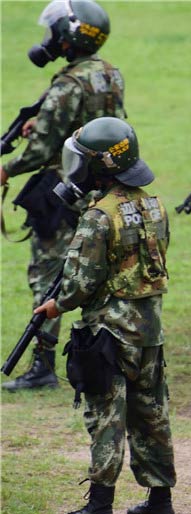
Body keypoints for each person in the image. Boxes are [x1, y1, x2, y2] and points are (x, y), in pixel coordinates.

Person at [34, 117, 177, 514]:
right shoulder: (155, 204)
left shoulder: (99, 216)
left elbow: (80, 283)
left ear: (100, 166)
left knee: (105, 415)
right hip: (149, 330)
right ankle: (160, 500)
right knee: (152, 413)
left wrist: (54, 308)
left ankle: (99, 507)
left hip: (108, 333)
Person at [1, 0, 125, 392]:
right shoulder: (109, 74)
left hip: (62, 187)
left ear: (69, 35)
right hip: (99, 186)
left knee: (48, 273)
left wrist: (5, 169)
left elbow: (38, 151)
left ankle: (42, 364)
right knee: (96, 270)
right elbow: (99, 122)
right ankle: (109, 350)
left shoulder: (68, 83)